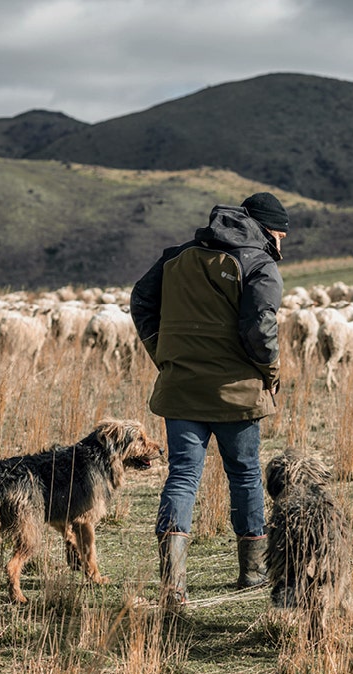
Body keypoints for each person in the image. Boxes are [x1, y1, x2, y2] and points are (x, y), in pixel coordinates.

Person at [130, 192, 288, 607]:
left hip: (182, 389)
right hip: (238, 393)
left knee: (182, 476)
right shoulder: (259, 264)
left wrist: (162, 352)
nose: (281, 244)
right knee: (245, 474)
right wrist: (271, 374)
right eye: (279, 234)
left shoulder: (177, 256)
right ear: (264, 228)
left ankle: (173, 585)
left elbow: (141, 300)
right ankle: (252, 572)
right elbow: (260, 328)